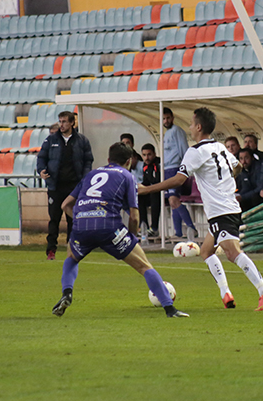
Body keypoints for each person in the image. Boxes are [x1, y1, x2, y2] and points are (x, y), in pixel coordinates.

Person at [140, 107, 263, 311]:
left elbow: (179, 179)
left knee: (232, 253)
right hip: (226, 206)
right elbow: (237, 166)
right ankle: (225, 294)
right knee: (206, 251)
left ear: (198, 127)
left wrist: (147, 189)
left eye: (190, 124)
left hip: (221, 209)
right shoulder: (220, 147)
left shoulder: (195, 151)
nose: (189, 127)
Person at [52, 142, 188, 319]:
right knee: (144, 266)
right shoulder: (127, 176)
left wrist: (80, 218)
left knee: (71, 259)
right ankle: (170, 309)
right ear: (130, 161)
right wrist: (132, 236)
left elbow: (65, 205)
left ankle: (67, 293)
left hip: (82, 225)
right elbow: (134, 216)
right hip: (109, 226)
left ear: (108, 159)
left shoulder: (91, 174)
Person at [37, 110, 94, 260]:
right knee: (54, 219)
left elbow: (88, 160)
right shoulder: (50, 140)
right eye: (60, 121)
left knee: (73, 219)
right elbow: (41, 158)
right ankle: (51, 250)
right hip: (55, 186)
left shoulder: (82, 140)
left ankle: (72, 248)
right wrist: (41, 171)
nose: (61, 125)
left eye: (64, 122)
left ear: (72, 123)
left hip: (74, 187)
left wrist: (85, 178)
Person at [161, 107, 197, 240]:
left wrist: (185, 168)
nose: (166, 121)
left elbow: (184, 149)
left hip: (175, 168)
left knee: (173, 199)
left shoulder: (177, 131)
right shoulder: (166, 133)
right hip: (167, 169)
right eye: (164, 118)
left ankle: (191, 227)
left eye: (168, 118)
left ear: (172, 118)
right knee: (172, 201)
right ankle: (178, 233)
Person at [139, 143, 161, 237]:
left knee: (154, 194)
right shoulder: (145, 166)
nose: (146, 157)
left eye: (149, 154)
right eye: (144, 155)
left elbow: (158, 181)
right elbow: (146, 182)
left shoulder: (158, 164)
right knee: (139, 197)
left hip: (162, 193)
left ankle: (154, 228)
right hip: (152, 193)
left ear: (154, 154)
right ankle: (144, 226)